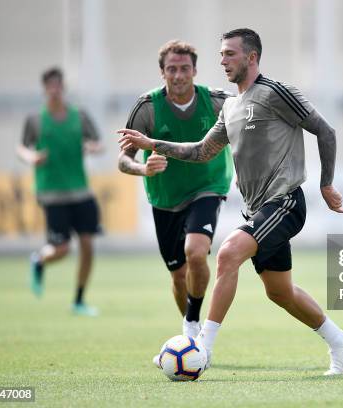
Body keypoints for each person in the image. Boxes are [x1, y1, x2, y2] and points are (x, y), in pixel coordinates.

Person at [119, 28, 343, 375]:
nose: (222, 60)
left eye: (229, 54)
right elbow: (201, 151)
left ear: (252, 57)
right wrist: (151, 143)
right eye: (220, 54)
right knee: (280, 292)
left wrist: (326, 184)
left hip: (286, 202)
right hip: (256, 209)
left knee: (229, 253)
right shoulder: (230, 106)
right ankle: (340, 341)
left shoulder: (276, 92)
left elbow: (325, 130)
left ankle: (202, 347)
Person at [118, 40, 233, 338]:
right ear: (162, 72)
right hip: (165, 199)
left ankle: (194, 325)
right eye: (172, 69)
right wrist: (144, 169)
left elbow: (250, 128)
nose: (179, 75)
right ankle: (191, 333)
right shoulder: (147, 108)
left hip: (208, 187)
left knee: (196, 252)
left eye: (184, 68)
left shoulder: (218, 102)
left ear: (195, 70)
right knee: (178, 273)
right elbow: (123, 160)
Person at [17, 67, 103, 316]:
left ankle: (78, 300)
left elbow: (97, 141)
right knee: (62, 249)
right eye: (50, 86)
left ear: (63, 87)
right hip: (52, 193)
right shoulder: (35, 120)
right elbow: (22, 147)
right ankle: (39, 260)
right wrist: (31, 156)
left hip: (81, 191)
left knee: (87, 245)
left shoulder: (80, 116)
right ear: (45, 89)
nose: (55, 90)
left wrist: (93, 147)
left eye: (58, 85)